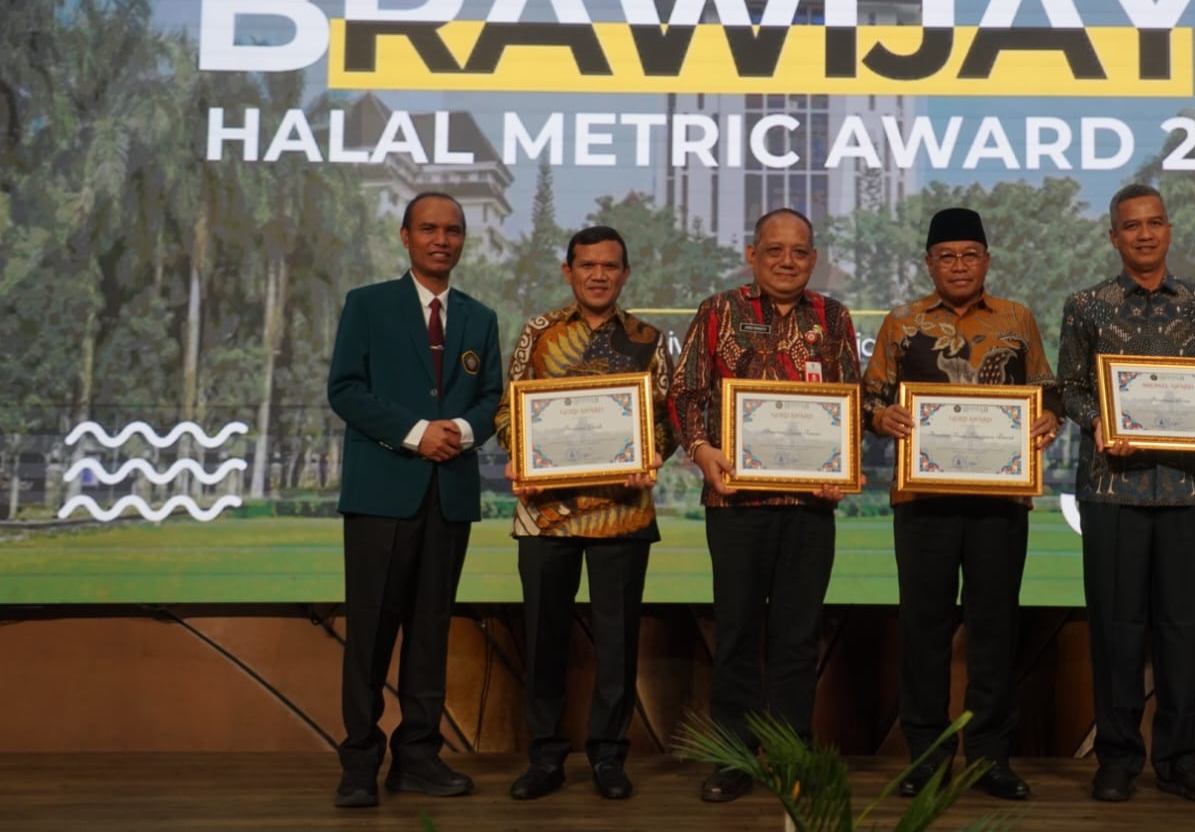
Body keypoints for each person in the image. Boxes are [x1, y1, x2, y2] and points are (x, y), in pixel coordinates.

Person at [862, 207, 1061, 801]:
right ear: (929, 263)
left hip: (1000, 501)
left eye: (969, 255)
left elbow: (1045, 389)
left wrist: (1049, 417)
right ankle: (927, 758)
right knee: (923, 631)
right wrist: (881, 416)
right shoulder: (902, 322)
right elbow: (869, 397)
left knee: (994, 631)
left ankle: (989, 757)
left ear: (986, 260)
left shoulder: (1017, 318)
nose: (958, 265)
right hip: (923, 499)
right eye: (946, 256)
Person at [667, 207, 860, 804]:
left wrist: (843, 466)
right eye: (774, 250)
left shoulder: (833, 316)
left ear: (814, 259)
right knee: (737, 634)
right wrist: (701, 450)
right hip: (735, 503)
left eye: (799, 252)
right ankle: (733, 757)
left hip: (810, 506)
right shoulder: (718, 310)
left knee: (798, 638)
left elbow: (850, 400)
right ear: (752, 255)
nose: (786, 261)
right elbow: (684, 392)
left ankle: (791, 755)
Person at [327, 191, 504, 809]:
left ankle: (419, 758)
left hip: (448, 496)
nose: (441, 240)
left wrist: (461, 431)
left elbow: (492, 399)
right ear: (405, 236)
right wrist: (415, 433)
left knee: (431, 633)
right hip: (381, 494)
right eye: (428, 229)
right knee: (371, 633)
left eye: (452, 230)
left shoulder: (481, 317)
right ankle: (359, 762)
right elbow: (346, 389)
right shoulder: (368, 304)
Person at [1056, 182, 1195, 805]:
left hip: (1187, 492)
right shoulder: (1086, 306)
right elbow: (1069, 387)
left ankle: (1180, 761)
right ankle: (1118, 759)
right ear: (1114, 236)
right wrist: (1098, 420)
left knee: (1183, 632)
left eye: (1154, 222)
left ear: (1169, 230)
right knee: (1115, 632)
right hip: (1111, 492)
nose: (1145, 233)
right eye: (1131, 225)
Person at [493, 226, 676, 803]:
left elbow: (666, 419)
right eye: (588, 265)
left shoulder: (649, 339)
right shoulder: (539, 333)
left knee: (616, 643)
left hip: (622, 512)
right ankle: (545, 757)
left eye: (610, 266)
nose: (599, 275)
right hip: (544, 512)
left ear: (625, 274)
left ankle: (608, 756)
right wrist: (521, 453)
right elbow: (508, 411)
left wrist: (650, 455)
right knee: (543, 638)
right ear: (567, 271)